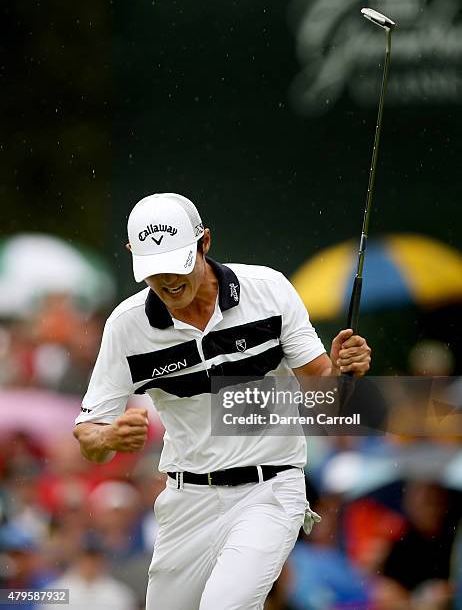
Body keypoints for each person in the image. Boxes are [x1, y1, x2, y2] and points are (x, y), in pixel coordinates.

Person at [73, 193, 371, 610]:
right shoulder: (126, 326)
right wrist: (108, 438)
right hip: (186, 503)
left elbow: (326, 392)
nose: (168, 282)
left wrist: (345, 370)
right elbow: (88, 434)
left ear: (205, 243)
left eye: (178, 266)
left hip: (270, 490)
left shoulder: (268, 289)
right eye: (155, 272)